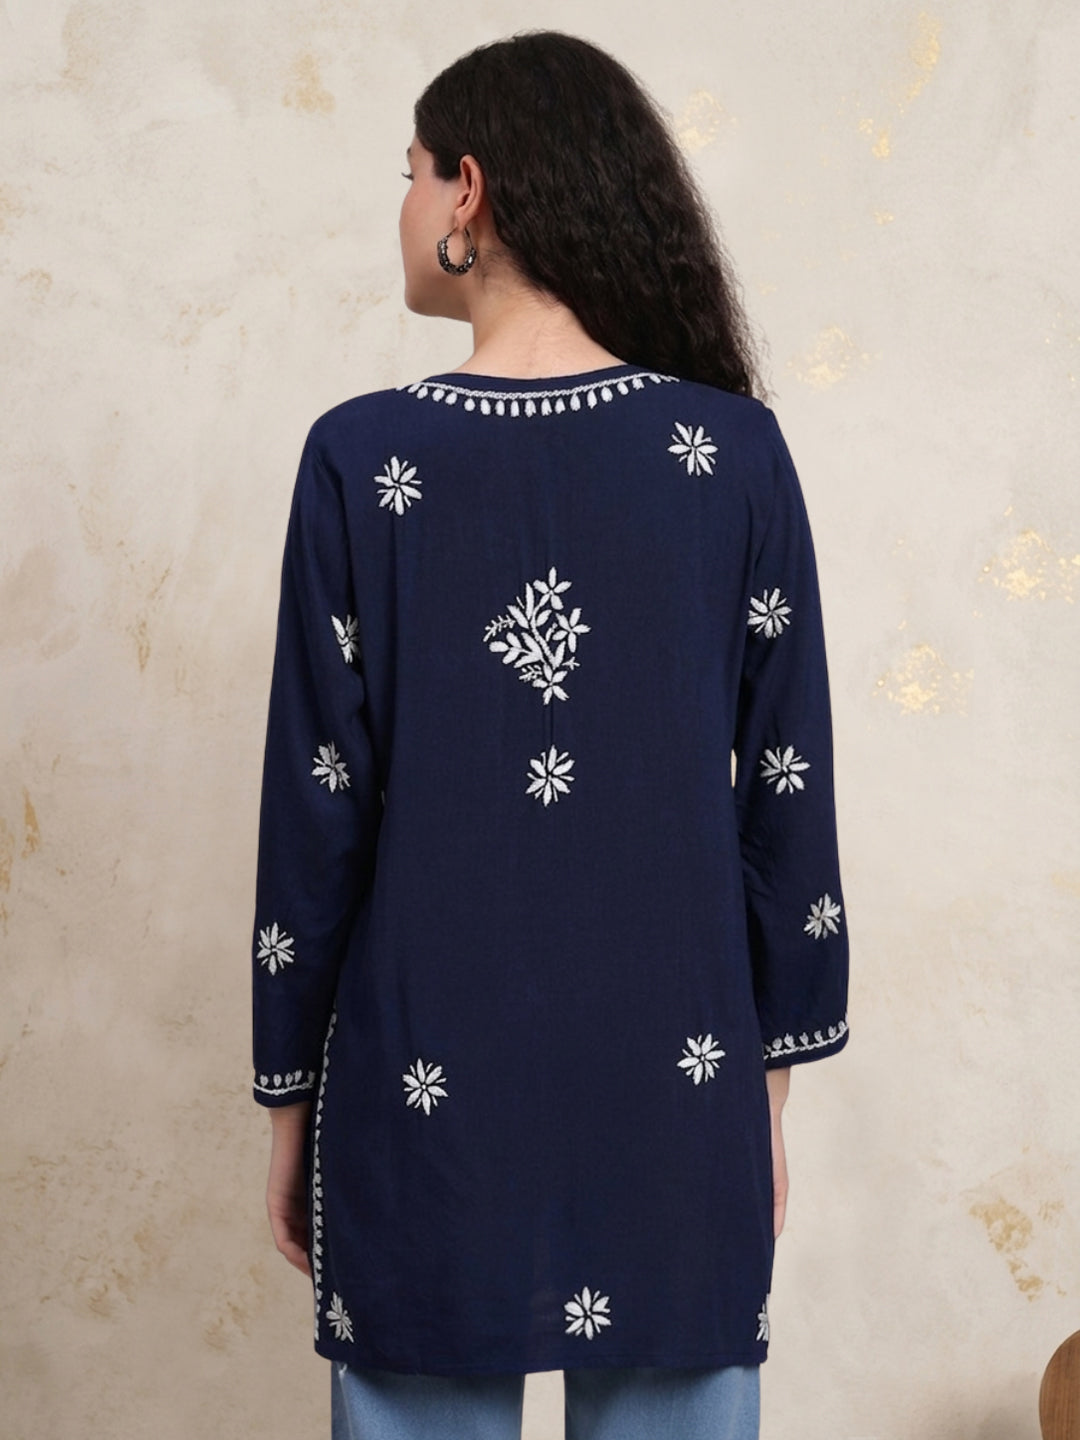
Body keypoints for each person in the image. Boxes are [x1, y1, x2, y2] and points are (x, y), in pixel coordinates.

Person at [251, 28, 849, 1440]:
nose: (402, 207)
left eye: (410, 174)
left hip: (422, 1085)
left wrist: (291, 1104)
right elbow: (787, 796)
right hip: (677, 1089)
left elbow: (317, 804)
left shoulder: (359, 458)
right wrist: (761, 1095)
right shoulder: (731, 454)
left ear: (470, 191)